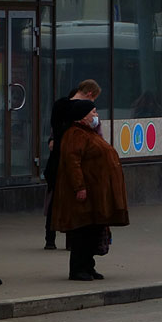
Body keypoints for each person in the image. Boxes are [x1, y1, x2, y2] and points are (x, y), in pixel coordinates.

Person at [52, 99, 129, 281]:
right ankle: (78, 269)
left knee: (92, 229)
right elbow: (72, 163)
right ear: (82, 116)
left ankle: (88, 266)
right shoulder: (75, 134)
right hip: (84, 193)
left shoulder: (88, 133)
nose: (96, 116)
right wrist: (79, 187)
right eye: (93, 112)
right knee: (82, 230)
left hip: (95, 193)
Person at [43, 79, 102, 250]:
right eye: (94, 104)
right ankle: (72, 241)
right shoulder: (81, 110)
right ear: (90, 94)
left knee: (54, 199)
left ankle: (50, 238)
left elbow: (55, 129)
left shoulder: (60, 105)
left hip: (57, 159)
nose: (94, 111)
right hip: (73, 160)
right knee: (74, 201)